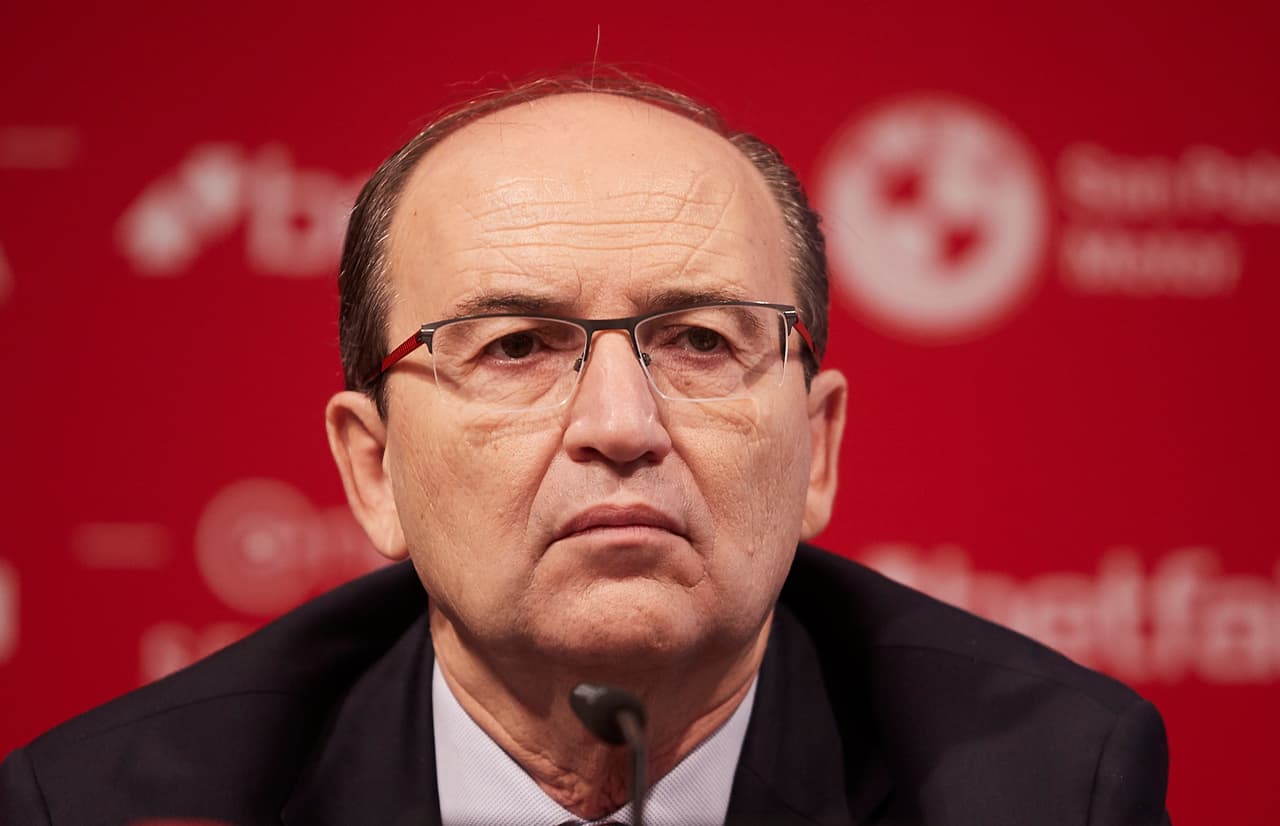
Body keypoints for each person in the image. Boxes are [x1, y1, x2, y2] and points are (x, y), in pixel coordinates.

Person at [0, 73, 1170, 826]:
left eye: (699, 338)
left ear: (814, 447)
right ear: (373, 470)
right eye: (515, 344)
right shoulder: (127, 802)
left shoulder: (1043, 783)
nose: (620, 424)